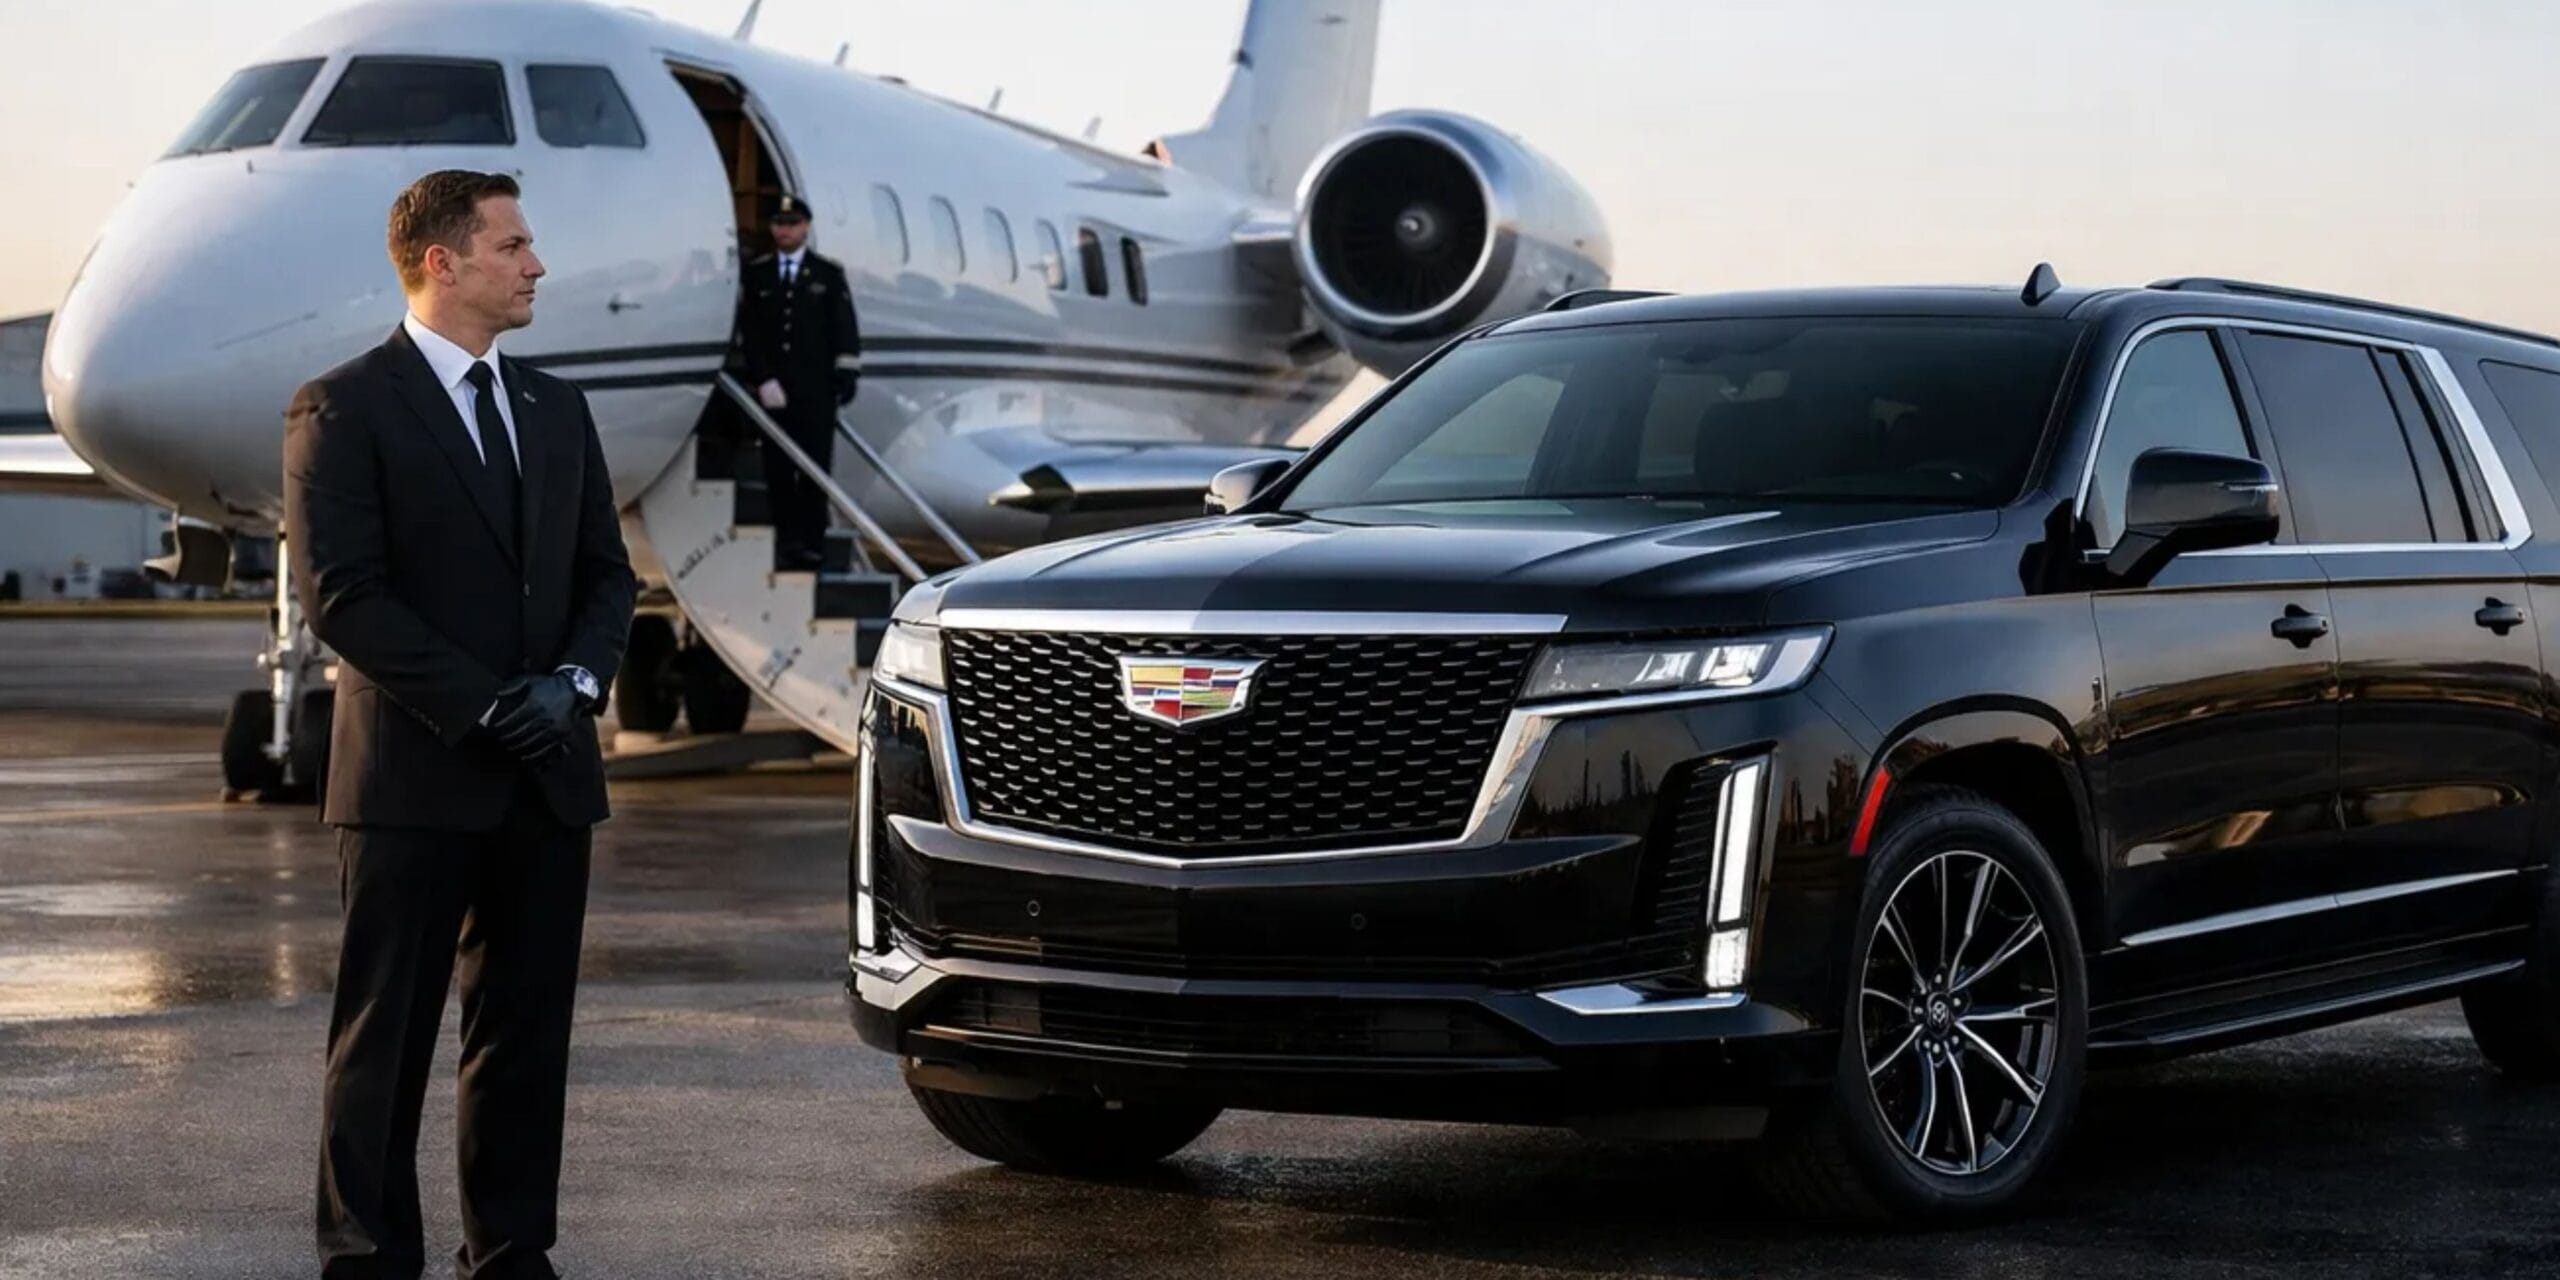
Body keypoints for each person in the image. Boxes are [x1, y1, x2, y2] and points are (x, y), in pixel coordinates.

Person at [283, 169, 636, 1280]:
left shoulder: (556, 407)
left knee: (525, 1036)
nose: (537, 265)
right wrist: (487, 704)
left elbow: (607, 576)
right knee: (383, 1035)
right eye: (513, 245)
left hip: (548, 774)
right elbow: (344, 595)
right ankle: (368, 1254)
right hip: (413, 775)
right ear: (443, 261)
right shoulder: (343, 406)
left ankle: (513, 1250)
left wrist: (572, 684)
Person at [734, 192, 861, 569]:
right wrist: (762, 378)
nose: (784, 230)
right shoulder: (757, 274)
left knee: (814, 469)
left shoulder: (827, 274)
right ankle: (788, 542)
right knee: (778, 470)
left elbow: (844, 327)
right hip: (775, 392)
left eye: (791, 224)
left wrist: (846, 373)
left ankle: (812, 543)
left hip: (816, 391)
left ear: (805, 227)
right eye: (778, 224)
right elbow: (751, 331)